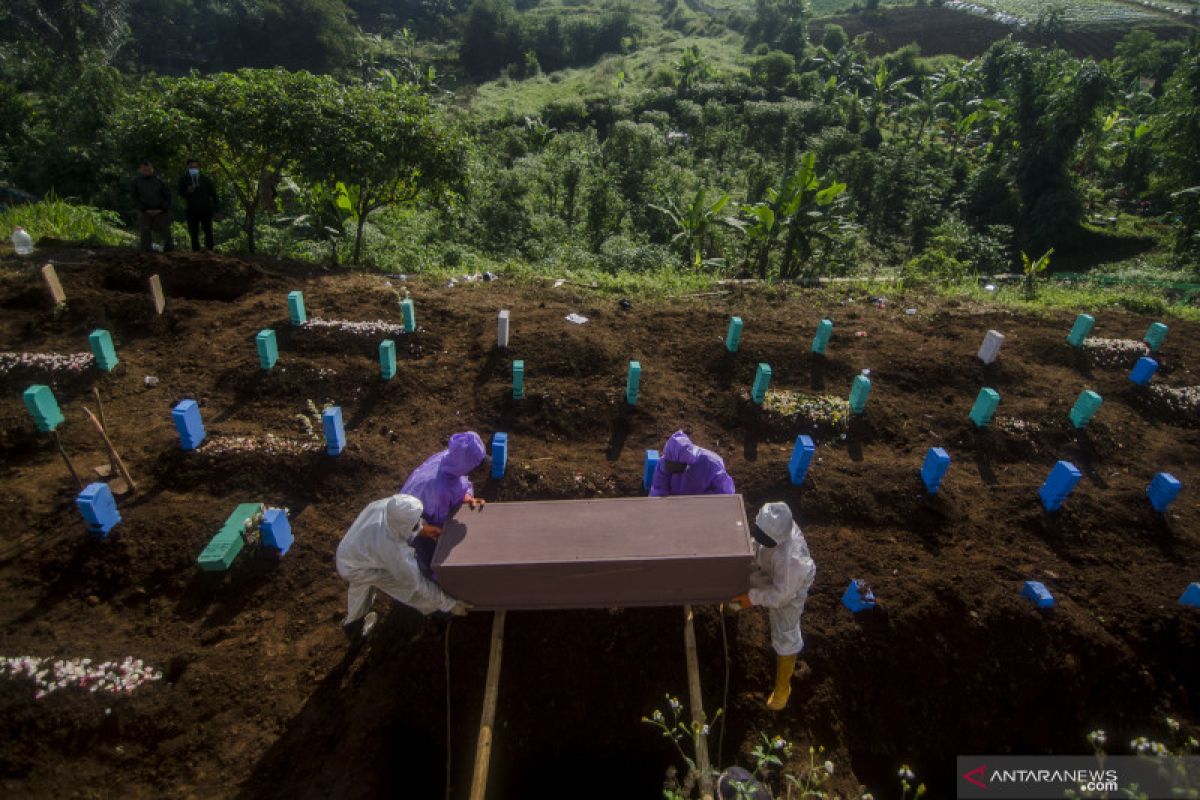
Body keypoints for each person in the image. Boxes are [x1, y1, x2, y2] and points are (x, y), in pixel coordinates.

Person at [336, 493, 470, 642]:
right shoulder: (392, 549)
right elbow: (416, 582)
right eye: (414, 524)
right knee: (407, 589)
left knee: (360, 587)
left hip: (349, 552)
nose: (417, 524)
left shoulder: (388, 506)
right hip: (357, 567)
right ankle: (438, 611)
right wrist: (449, 604)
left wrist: (421, 528)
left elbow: (404, 524)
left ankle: (352, 624)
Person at [731, 502, 816, 711]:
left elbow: (780, 597)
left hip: (791, 590)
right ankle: (731, 608)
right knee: (741, 578)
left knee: (785, 631)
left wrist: (751, 598)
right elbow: (759, 543)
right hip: (770, 567)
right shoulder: (774, 525)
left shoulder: (791, 562)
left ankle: (782, 689)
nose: (758, 536)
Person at [400, 431, 488, 576]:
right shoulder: (441, 490)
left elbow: (457, 485)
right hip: (409, 520)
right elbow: (440, 523)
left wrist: (466, 498)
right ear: (464, 465)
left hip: (413, 500)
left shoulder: (448, 457)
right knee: (426, 554)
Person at [649, 430, 735, 497]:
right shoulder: (666, 461)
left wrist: (702, 501)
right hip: (675, 506)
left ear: (687, 463)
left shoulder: (712, 463)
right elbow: (658, 488)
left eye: (676, 468)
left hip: (702, 507)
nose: (672, 471)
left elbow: (725, 493)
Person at [178, 159, 220, 252]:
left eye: (195, 167)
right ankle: (195, 252)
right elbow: (180, 193)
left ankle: (209, 250)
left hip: (206, 209)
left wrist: (217, 210)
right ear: (187, 168)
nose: (193, 169)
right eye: (191, 167)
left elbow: (214, 195)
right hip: (191, 210)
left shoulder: (205, 179)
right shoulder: (184, 179)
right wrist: (187, 191)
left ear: (199, 168)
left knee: (208, 231)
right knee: (193, 233)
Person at [130, 161, 173, 252]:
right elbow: (134, 197)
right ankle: (146, 251)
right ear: (140, 170)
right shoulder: (136, 181)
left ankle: (169, 251)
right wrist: (144, 209)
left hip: (161, 211)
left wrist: (161, 209)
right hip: (145, 212)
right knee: (145, 232)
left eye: (148, 169)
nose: (147, 171)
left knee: (165, 231)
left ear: (152, 169)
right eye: (144, 169)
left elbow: (168, 196)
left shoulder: (160, 180)